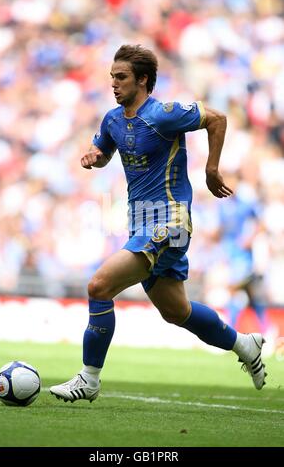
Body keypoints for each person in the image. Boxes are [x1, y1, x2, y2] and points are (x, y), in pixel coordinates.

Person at [50, 45, 267, 403]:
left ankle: (89, 378)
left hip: (170, 219)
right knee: (176, 311)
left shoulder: (163, 114)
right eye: (112, 78)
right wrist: (96, 158)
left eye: (121, 78)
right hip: (140, 223)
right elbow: (105, 153)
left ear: (143, 80)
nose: (114, 85)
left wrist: (211, 170)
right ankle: (245, 344)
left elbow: (217, 119)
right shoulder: (112, 120)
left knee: (99, 286)